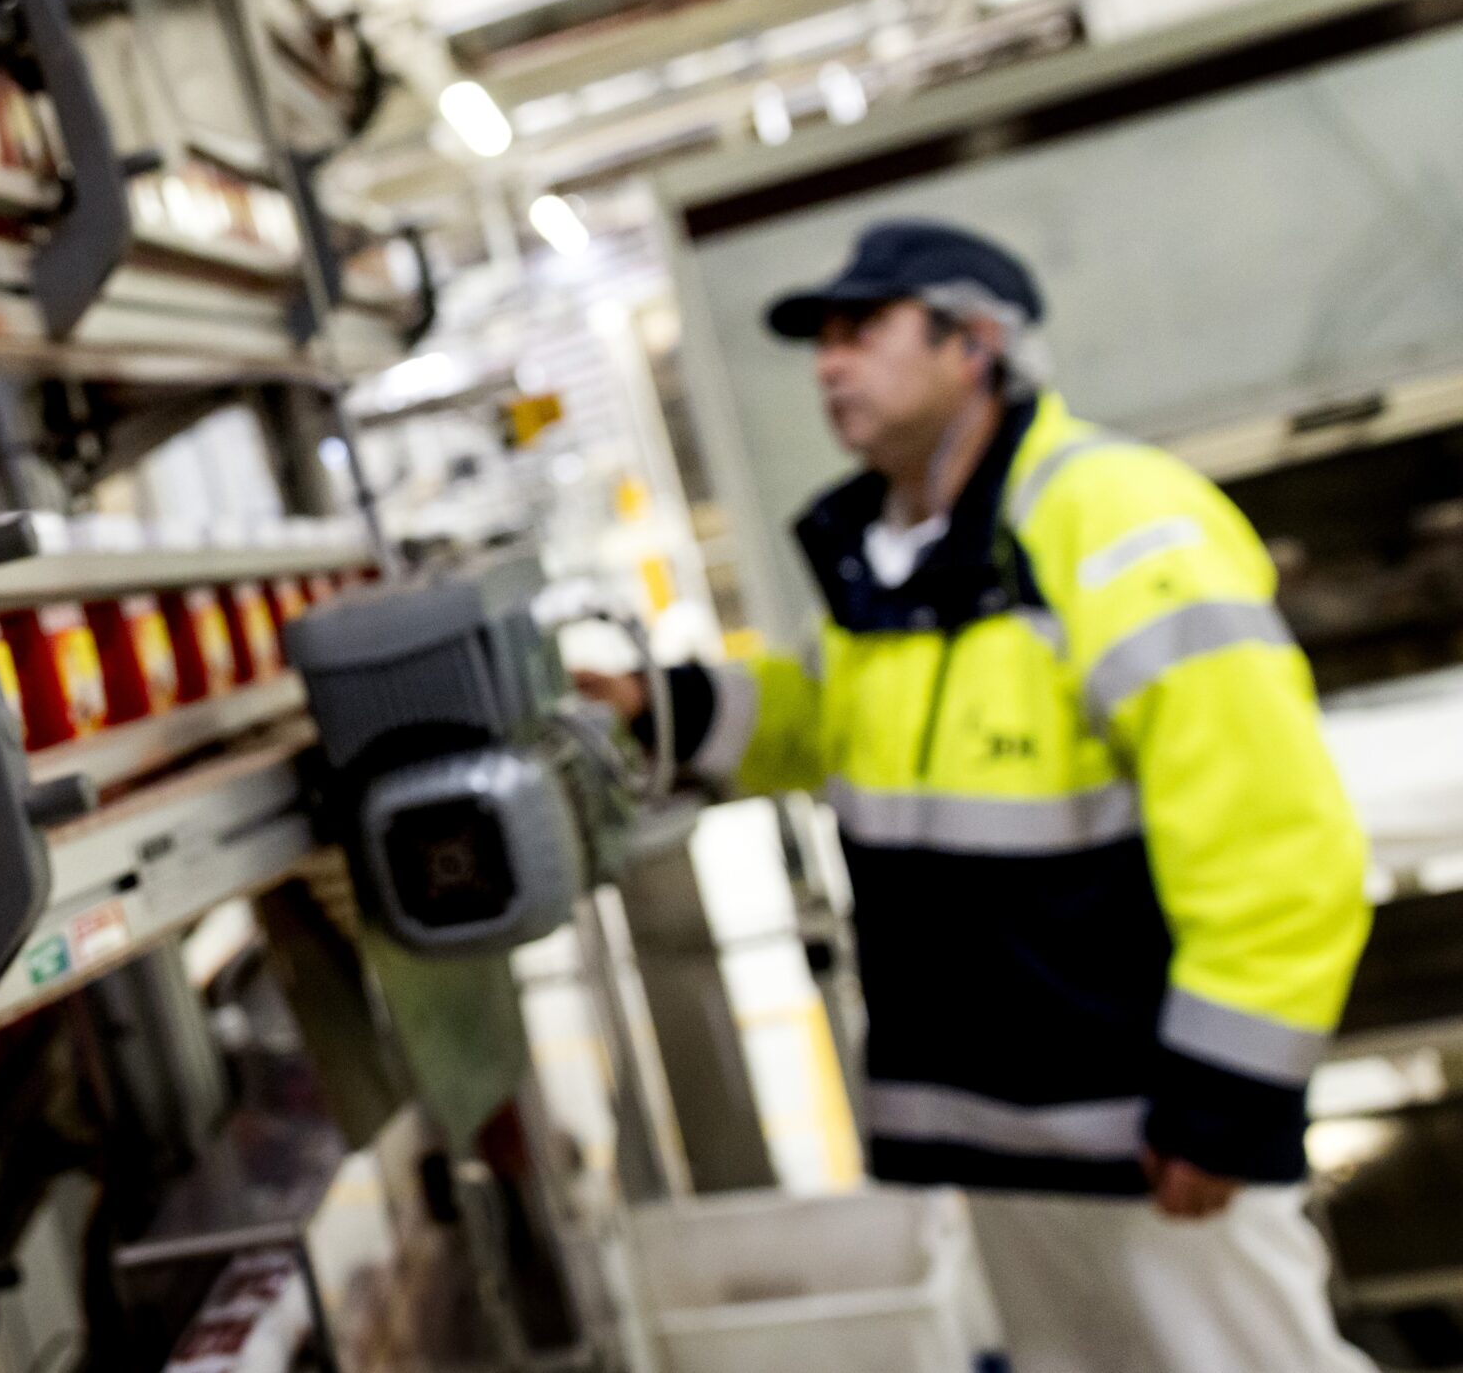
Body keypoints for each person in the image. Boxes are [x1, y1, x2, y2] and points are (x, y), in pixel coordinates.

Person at [586, 219, 1375, 1373]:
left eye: (863, 329)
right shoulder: (897, 555)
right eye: (822, 341)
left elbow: (1270, 829)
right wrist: (655, 706)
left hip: (1151, 1124)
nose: (828, 365)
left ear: (976, 344)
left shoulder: (1105, 516)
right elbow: (824, 715)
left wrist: (1226, 1094)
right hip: (1004, 1123)